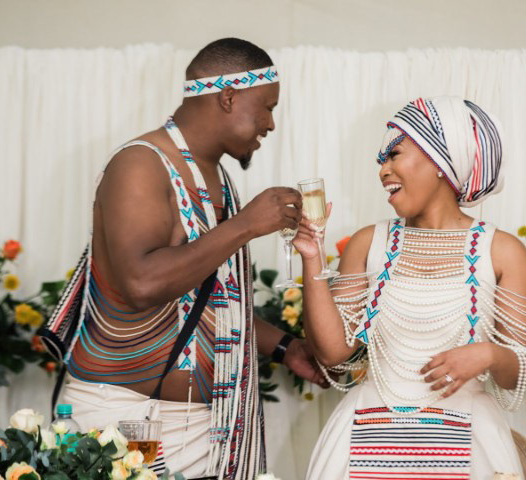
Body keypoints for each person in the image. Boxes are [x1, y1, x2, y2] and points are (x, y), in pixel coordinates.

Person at [58, 38, 326, 479]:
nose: (271, 124)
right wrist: (245, 225)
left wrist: (286, 348)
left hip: (203, 429)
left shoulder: (215, 177)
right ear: (228, 97)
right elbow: (141, 284)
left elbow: (212, 304)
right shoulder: (140, 164)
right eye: (267, 107)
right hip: (125, 419)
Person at [294, 96, 526, 479]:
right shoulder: (367, 243)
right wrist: (312, 257)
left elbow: (523, 369)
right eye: (382, 161)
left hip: (467, 438)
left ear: (440, 160)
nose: (383, 170)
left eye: (394, 155)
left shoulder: (503, 251)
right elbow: (332, 353)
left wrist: (488, 354)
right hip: (366, 437)